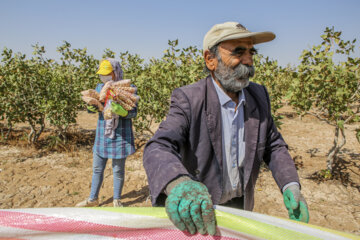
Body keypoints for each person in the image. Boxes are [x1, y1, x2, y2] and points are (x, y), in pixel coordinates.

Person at [143, 22, 309, 235]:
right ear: (210, 60)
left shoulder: (259, 96)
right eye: (238, 52)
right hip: (201, 209)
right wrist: (177, 181)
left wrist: (290, 184)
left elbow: (273, 145)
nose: (248, 61)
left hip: (240, 207)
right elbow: (158, 146)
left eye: (251, 52)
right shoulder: (189, 99)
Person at [76, 58, 137, 208]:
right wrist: (91, 107)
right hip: (103, 133)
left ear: (115, 72)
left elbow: (134, 112)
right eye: (102, 74)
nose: (104, 77)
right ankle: (93, 199)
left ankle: (117, 199)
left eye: (107, 74)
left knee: (118, 170)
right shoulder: (99, 87)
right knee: (97, 168)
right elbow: (96, 104)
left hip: (121, 135)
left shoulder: (129, 87)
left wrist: (122, 112)